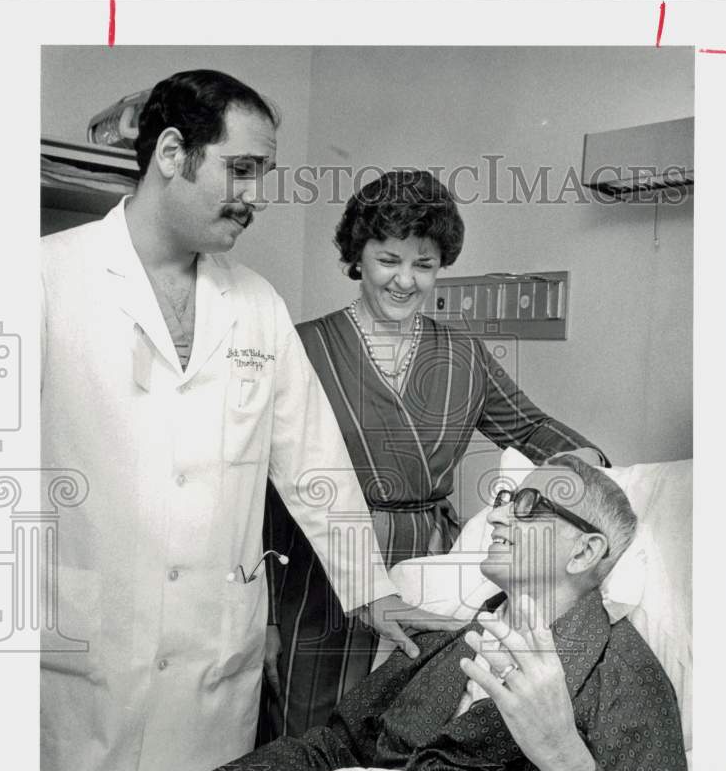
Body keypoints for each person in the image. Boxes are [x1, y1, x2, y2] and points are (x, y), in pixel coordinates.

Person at [40, 71, 458, 771]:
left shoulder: (256, 305)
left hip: (211, 668)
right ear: (172, 152)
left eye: (262, 173)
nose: (257, 195)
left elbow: (313, 463)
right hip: (79, 665)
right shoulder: (41, 278)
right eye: (242, 169)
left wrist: (374, 592)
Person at [148, 456, 692, 771]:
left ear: (585, 549)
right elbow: (336, 744)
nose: (499, 518)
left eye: (527, 507)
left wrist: (562, 754)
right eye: (503, 501)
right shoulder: (450, 640)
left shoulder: (624, 678)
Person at [261, 170, 609, 742]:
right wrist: (268, 617)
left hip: (428, 565)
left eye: (422, 264)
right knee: (314, 729)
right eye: (388, 260)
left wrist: (594, 467)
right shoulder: (301, 346)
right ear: (357, 256)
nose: (405, 280)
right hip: (325, 566)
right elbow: (262, 492)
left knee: (408, 721)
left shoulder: (463, 354)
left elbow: (531, 427)